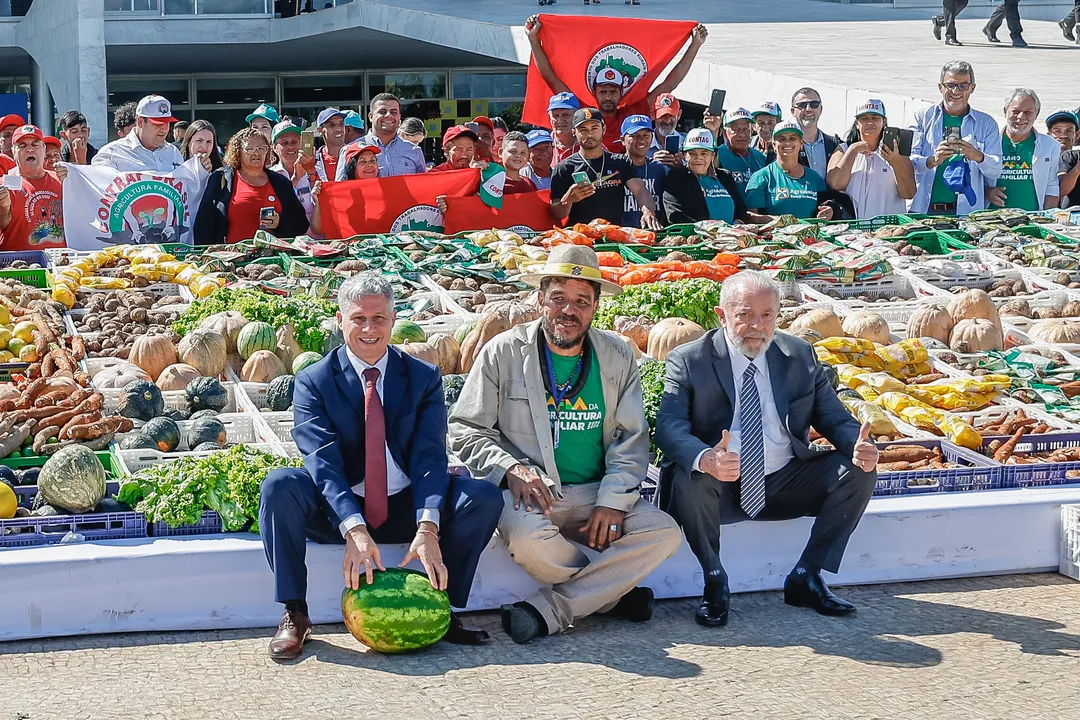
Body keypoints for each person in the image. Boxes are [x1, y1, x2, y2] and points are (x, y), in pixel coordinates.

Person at [259, 272, 504, 660]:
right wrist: (353, 527)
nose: (369, 329)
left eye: (379, 319)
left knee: (484, 496)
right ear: (340, 321)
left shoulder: (422, 377)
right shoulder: (313, 381)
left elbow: (429, 455)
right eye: (358, 319)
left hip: (404, 503)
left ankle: (440, 608)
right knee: (279, 486)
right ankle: (295, 613)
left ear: (393, 320)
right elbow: (322, 462)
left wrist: (428, 526)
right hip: (341, 509)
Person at [447, 245, 682, 645]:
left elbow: (631, 438)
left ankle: (553, 608)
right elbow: (465, 427)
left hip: (596, 494)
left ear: (594, 308)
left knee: (664, 533)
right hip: (534, 493)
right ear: (540, 298)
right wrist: (511, 468)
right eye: (558, 298)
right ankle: (611, 596)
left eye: (581, 301)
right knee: (524, 539)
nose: (568, 311)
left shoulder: (617, 355)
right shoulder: (503, 352)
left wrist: (612, 500)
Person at [655, 270, 878, 628]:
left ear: (778, 315)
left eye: (767, 315)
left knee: (858, 470)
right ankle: (715, 580)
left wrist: (859, 445)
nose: (757, 325)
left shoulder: (798, 354)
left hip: (785, 480)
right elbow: (668, 428)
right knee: (688, 474)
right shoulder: (690, 359)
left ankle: (807, 574)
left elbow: (833, 417)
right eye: (744, 314)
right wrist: (707, 458)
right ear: (721, 315)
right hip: (721, 485)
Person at [526, 15, 708, 153]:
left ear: (621, 92)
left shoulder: (632, 113)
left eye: (613, 92)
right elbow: (550, 78)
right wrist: (533, 39)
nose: (607, 96)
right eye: (603, 91)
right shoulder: (583, 113)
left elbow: (670, 83)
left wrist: (695, 45)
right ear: (594, 91)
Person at [910, 61, 1002, 216]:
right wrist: (933, 160)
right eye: (950, 85)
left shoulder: (986, 123)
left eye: (963, 86)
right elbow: (908, 162)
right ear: (940, 87)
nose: (956, 91)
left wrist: (977, 156)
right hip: (923, 209)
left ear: (972, 88)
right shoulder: (922, 118)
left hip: (966, 213)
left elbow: (996, 170)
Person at [193, 127, 309, 245]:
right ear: (237, 151)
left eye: (261, 148)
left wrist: (280, 222)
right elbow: (204, 223)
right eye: (249, 148)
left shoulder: (281, 183)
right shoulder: (221, 178)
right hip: (232, 258)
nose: (256, 152)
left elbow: (301, 225)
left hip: (271, 259)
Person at [549, 108, 662, 230]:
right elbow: (556, 214)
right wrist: (568, 199)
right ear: (574, 132)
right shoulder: (564, 167)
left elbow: (640, 191)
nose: (590, 134)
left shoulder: (620, 162)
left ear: (604, 129)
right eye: (583, 130)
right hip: (580, 236)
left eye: (594, 128)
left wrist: (647, 211)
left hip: (613, 234)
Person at [826, 100, 916, 218]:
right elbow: (836, 184)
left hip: (887, 228)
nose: (870, 122)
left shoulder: (897, 153)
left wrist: (896, 163)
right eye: (864, 119)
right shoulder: (844, 149)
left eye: (875, 118)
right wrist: (853, 151)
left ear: (884, 122)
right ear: (857, 124)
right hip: (851, 231)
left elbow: (909, 193)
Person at [985, 89, 1059, 211]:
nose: (1020, 117)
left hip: (1031, 218)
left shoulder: (1050, 146)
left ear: (1037, 113)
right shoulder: (988, 142)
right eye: (1015, 111)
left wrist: (1047, 219)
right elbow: (973, 180)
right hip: (990, 218)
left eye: (1028, 112)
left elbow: (1051, 187)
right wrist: (987, 192)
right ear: (1005, 111)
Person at [663, 128, 756, 225]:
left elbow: (740, 209)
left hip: (731, 237)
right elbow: (674, 215)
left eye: (704, 153)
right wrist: (708, 230)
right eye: (692, 153)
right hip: (698, 238)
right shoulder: (677, 177)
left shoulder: (725, 176)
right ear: (684, 155)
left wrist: (738, 223)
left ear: (713, 155)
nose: (698, 158)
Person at [744, 123, 833, 220]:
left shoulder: (815, 178)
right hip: (774, 234)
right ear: (774, 145)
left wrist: (829, 211)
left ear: (801, 143)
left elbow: (825, 207)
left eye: (792, 138)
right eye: (781, 139)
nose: (787, 142)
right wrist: (779, 221)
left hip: (809, 235)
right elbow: (750, 217)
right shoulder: (761, 177)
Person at [0, 124, 65, 250]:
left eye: (35, 145)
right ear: (13, 152)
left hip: (60, 264)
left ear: (44, 149)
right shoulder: (4, 185)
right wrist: (4, 207)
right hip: (19, 265)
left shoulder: (62, 180)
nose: (30, 149)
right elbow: (2, 224)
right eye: (22, 146)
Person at [91, 95, 189, 173]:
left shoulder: (174, 153)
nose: (164, 128)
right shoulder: (112, 153)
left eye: (167, 123)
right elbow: (99, 190)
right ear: (140, 122)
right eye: (158, 123)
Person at [339, 93, 426, 179]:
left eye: (394, 112)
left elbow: (423, 187)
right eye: (382, 112)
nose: (389, 115)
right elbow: (340, 189)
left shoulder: (414, 151)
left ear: (399, 117)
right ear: (371, 116)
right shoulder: (349, 151)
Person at [310, 143, 381, 235]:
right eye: (363, 162)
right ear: (352, 166)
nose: (370, 165)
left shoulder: (385, 190)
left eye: (372, 161)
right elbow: (317, 229)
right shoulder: (338, 194)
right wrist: (319, 202)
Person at [618, 114, 667, 228]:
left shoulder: (659, 168)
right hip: (622, 236)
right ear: (622, 140)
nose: (641, 140)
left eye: (646, 135)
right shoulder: (615, 167)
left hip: (654, 234)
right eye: (634, 136)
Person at [269, 121, 317, 224]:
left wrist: (311, 172)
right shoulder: (270, 175)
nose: (290, 147)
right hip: (285, 237)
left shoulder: (316, 169)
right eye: (284, 143)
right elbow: (275, 207)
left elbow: (325, 203)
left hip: (315, 238)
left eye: (294, 142)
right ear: (274, 147)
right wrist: (296, 179)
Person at [716, 108, 769, 195]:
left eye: (745, 128)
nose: (741, 134)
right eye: (735, 129)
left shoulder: (760, 157)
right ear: (725, 133)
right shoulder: (718, 154)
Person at [791, 88, 840, 179]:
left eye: (814, 104)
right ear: (793, 111)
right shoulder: (786, 145)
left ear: (820, 109)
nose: (808, 109)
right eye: (802, 105)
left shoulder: (835, 145)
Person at [1052, 111, 1080, 207]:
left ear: (1077, 135)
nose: (1063, 135)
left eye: (1069, 131)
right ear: (1048, 135)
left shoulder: (1074, 156)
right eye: (1057, 131)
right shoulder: (1039, 160)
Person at [547, 92, 580, 166]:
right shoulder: (540, 147)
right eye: (555, 116)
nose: (560, 120)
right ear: (550, 119)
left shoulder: (590, 144)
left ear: (576, 117)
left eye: (566, 115)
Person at [314, 108, 346, 182]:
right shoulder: (313, 161)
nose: (338, 129)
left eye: (341, 124)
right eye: (332, 125)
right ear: (320, 130)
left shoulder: (355, 155)